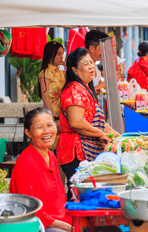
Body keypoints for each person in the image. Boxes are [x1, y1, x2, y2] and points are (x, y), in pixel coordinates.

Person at [58, 48, 119, 199]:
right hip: (75, 150)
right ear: (75, 70)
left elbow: (98, 121)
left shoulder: (85, 89)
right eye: (86, 63)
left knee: (85, 193)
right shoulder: (74, 90)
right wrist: (101, 134)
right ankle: (74, 221)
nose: (92, 66)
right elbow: (76, 122)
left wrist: (118, 135)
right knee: (78, 194)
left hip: (83, 150)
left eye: (92, 62)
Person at [10, 108, 72, 232]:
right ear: (28, 133)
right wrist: (67, 227)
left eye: (50, 125)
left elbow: (60, 198)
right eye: (39, 127)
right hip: (39, 226)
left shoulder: (51, 156)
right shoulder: (25, 162)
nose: (46, 131)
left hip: (60, 221)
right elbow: (30, 210)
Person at [38, 41, 66, 121]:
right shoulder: (45, 73)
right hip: (53, 114)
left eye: (62, 54)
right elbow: (45, 96)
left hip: (64, 113)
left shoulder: (61, 70)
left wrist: (64, 63)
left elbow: (73, 70)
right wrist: (52, 116)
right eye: (58, 54)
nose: (61, 57)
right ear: (50, 55)